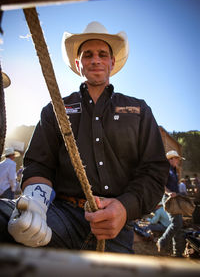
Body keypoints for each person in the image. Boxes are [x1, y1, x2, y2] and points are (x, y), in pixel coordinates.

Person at [0, 21, 169, 253]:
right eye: (87, 55)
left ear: (112, 62)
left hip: (117, 226)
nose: (95, 60)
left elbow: (154, 170)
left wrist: (124, 208)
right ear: (79, 64)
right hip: (60, 217)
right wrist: (36, 205)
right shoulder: (56, 109)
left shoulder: (138, 110)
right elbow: (39, 164)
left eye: (102, 54)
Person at [157, 150, 186, 257]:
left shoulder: (174, 170)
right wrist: (169, 193)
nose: (178, 161)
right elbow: (161, 184)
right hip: (169, 199)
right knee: (176, 223)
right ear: (171, 159)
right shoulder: (166, 170)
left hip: (175, 199)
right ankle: (162, 241)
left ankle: (177, 253)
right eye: (177, 158)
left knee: (178, 224)